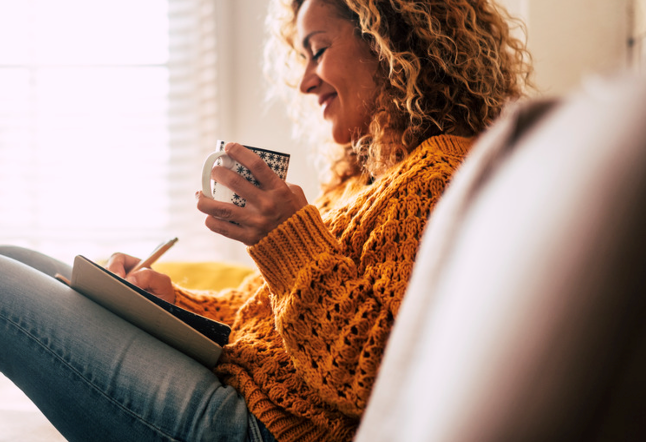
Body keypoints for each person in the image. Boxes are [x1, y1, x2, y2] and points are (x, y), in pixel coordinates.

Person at [0, 0, 532, 441]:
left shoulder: (438, 177)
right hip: (245, 388)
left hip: (264, 428)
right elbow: (269, 319)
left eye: (317, 50)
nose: (305, 82)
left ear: (390, 40)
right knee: (23, 261)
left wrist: (287, 240)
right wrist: (174, 303)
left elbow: (383, 385)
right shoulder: (360, 182)